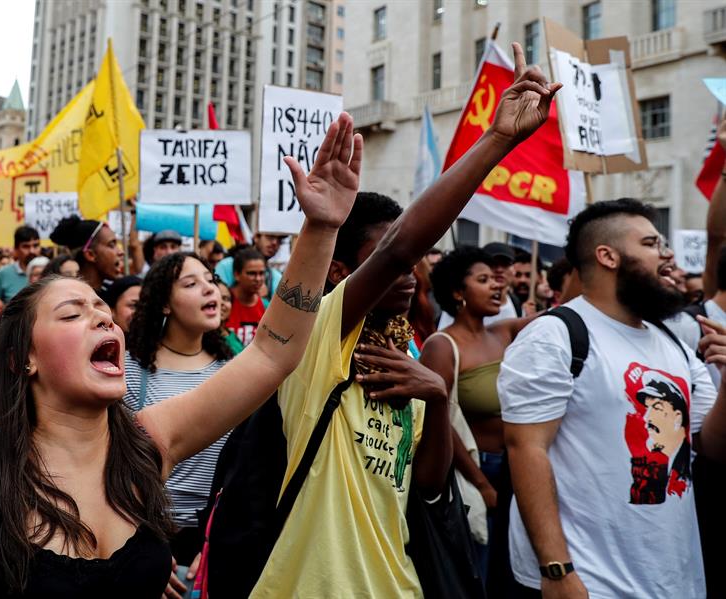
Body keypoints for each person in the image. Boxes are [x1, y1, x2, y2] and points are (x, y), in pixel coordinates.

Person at [0, 112, 362, 598]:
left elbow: (273, 354)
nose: (103, 319)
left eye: (104, 311)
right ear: (25, 358)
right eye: (72, 314)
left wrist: (320, 227)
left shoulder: (148, 445)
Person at [250, 43, 562, 597]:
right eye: (393, 261)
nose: (411, 272)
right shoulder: (318, 334)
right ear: (341, 271)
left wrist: (437, 398)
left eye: (419, 263)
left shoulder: (408, 359)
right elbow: (397, 248)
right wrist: (498, 140)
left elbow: (426, 482)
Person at [498, 198, 726, 598]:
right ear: (608, 256)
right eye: (652, 243)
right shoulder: (554, 335)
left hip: (673, 578)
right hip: (590, 580)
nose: (668, 255)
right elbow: (526, 449)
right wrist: (557, 570)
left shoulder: (673, 342)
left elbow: (712, 446)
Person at [424, 246, 538, 594]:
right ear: (458, 292)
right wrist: (482, 483)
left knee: (512, 573)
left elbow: (566, 313)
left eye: (497, 280)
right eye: (484, 279)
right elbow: (438, 422)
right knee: (480, 574)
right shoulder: (441, 347)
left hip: (516, 470)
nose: (497, 287)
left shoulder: (504, 334)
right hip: (475, 475)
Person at [124, 252, 237, 596]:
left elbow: (245, 470)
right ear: (164, 305)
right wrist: (141, 552)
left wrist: (216, 543)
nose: (209, 290)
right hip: (142, 532)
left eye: (211, 280)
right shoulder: (130, 371)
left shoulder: (234, 372)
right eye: (191, 284)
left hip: (216, 538)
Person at [436, 242, 523, 328]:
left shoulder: (516, 304)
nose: (499, 270)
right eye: (483, 280)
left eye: (505, 264)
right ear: (458, 292)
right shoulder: (443, 339)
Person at [50, 216, 125, 292]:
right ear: (90, 255)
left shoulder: (115, 296)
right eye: (111, 245)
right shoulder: (68, 297)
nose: (121, 252)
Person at [215, 233, 285, 302]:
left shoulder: (277, 277)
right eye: (270, 237)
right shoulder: (226, 265)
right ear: (256, 237)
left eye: (280, 240)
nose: (275, 243)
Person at [224, 248, 267, 347]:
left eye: (261, 273)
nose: (258, 279)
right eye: (251, 273)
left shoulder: (267, 307)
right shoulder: (222, 304)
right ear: (236, 274)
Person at [0, 226, 41, 303]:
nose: (32, 251)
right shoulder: (3, 274)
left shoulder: (49, 272)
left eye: (35, 245)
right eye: (26, 246)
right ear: (16, 249)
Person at [216, 278, 244, 355]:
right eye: (216, 297)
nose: (221, 303)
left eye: (226, 299)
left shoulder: (231, 334)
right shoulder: (199, 340)